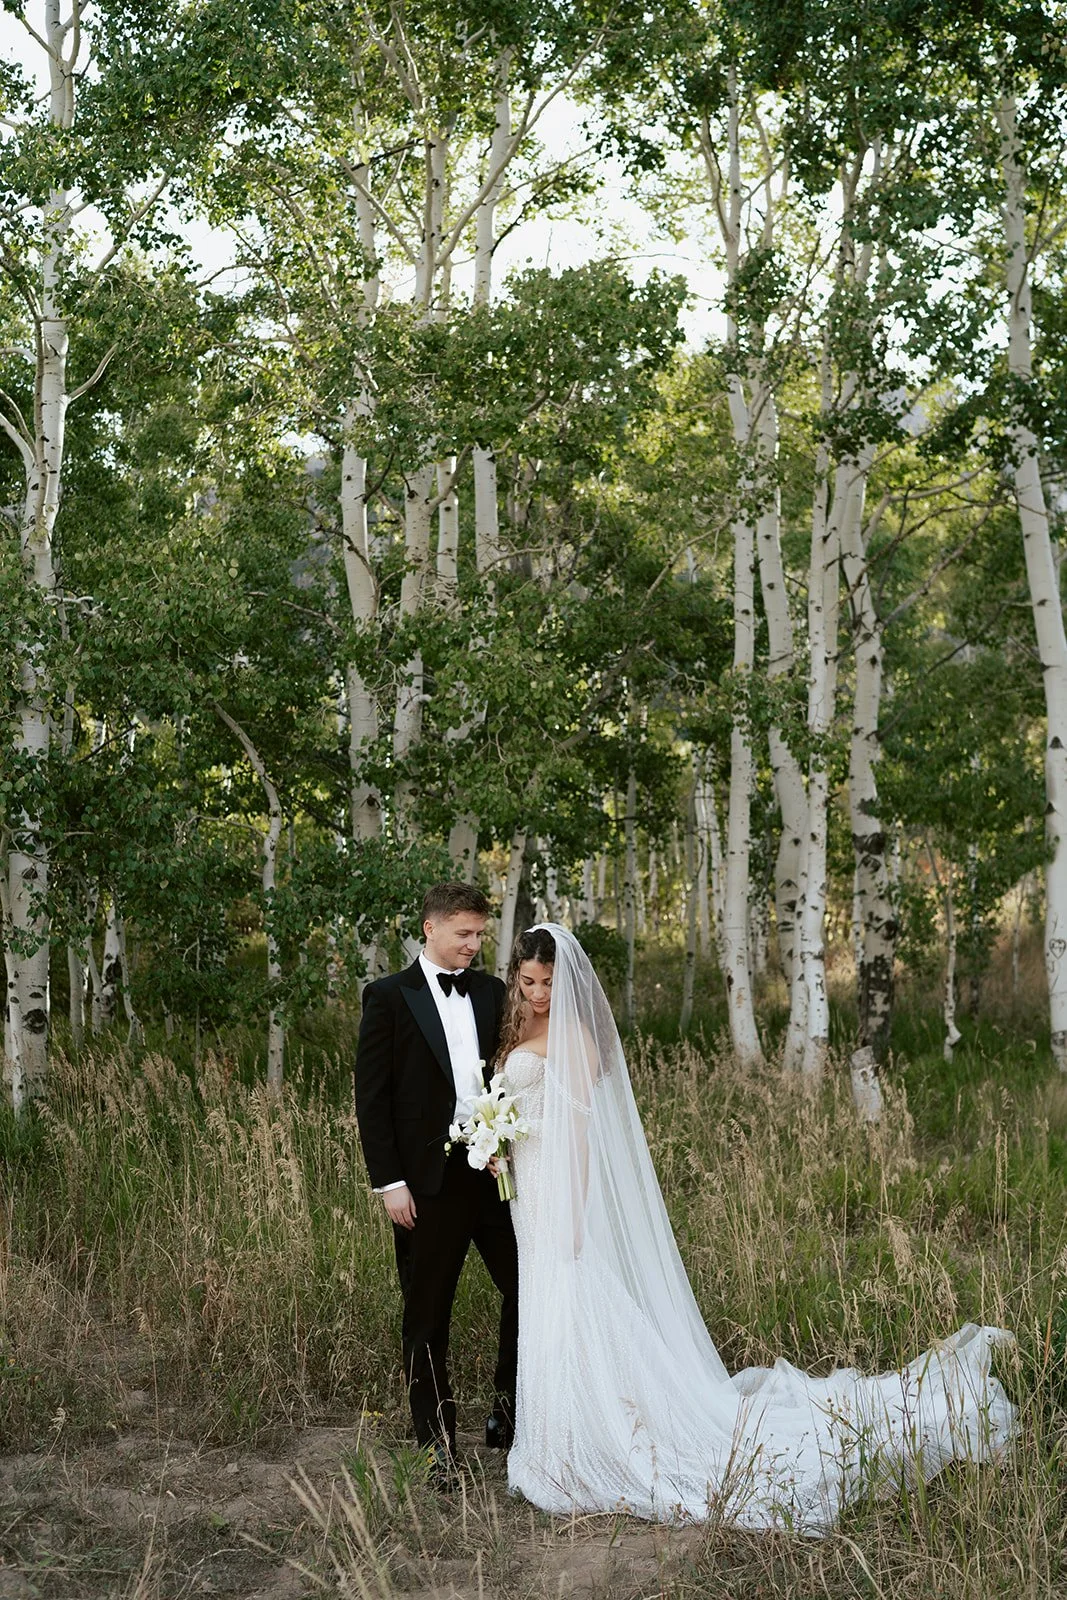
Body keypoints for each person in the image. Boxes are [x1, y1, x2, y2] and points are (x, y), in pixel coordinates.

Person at [494, 923, 1017, 1534]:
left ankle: (595, 1439)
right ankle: (560, 1436)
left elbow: (579, 1135)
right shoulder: (519, 1027)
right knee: (547, 1307)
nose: (538, 994)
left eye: (549, 983)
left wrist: (574, 1214)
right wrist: (497, 1147)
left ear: (569, 982)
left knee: (576, 1301)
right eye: (527, 982)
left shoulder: (575, 1036)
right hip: (524, 1191)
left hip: (560, 1196)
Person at [354, 883, 517, 1483]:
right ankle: (437, 1446)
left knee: (530, 1286)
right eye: (463, 935)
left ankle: (507, 1412)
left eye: (480, 935)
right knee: (427, 1316)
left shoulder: (492, 992)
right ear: (430, 928)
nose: (474, 946)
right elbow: (372, 1101)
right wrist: (390, 1183)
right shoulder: (389, 997)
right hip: (424, 1184)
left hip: (492, 1174)